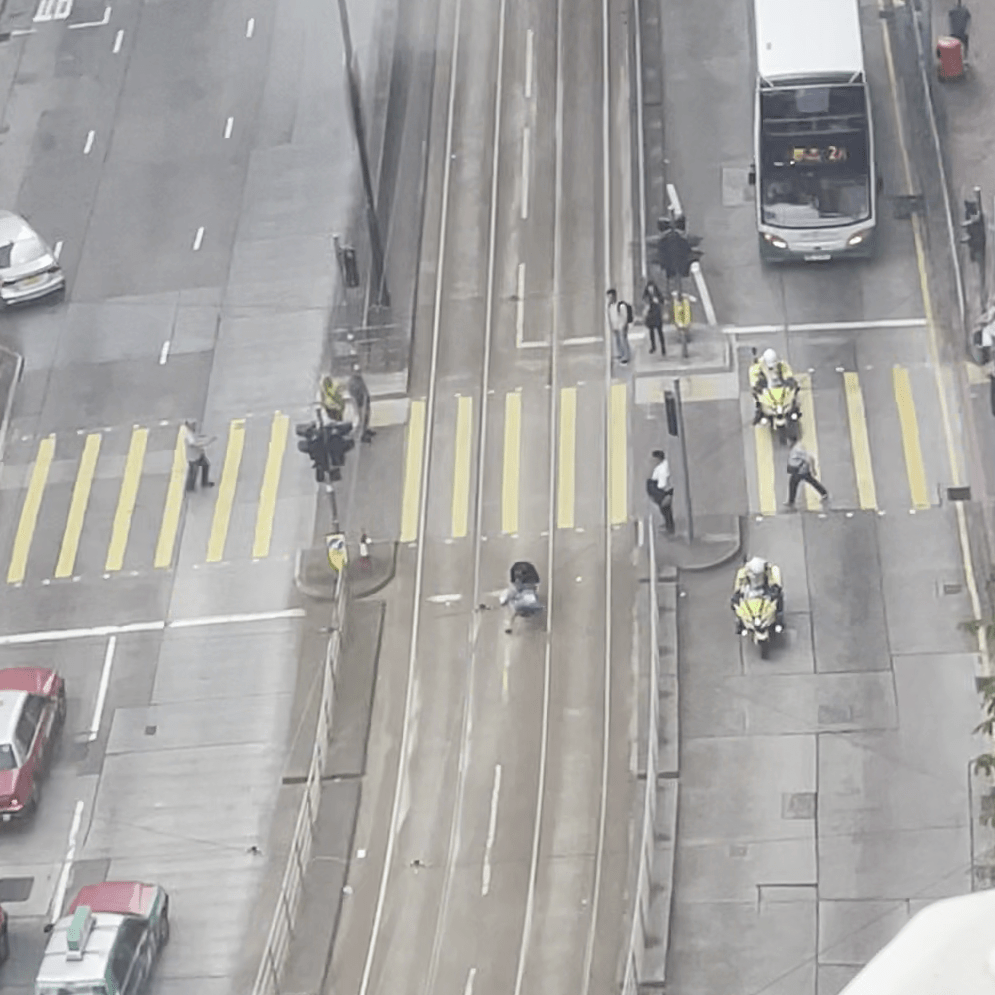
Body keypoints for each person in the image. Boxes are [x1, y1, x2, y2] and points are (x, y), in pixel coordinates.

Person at [731, 556, 784, 632]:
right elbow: (738, 585)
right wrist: (737, 595)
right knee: (738, 606)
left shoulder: (770, 570)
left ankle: (779, 622)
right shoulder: (742, 573)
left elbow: (775, 581)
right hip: (750, 592)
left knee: (778, 599)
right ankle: (740, 624)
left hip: (765, 590)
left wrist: (775, 589)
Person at [749, 348, 796, 424]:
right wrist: (756, 385)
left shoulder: (781, 365)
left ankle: (795, 408)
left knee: (793, 395)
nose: (771, 367)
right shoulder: (758, 366)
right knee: (756, 398)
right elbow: (753, 376)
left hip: (779, 387)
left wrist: (789, 380)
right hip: (766, 388)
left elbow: (787, 372)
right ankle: (758, 411)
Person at [500, 561, 541, 634]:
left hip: (526, 592)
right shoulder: (529, 580)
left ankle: (508, 624)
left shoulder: (516, 586)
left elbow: (513, 587)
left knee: (512, 607)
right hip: (529, 590)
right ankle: (509, 624)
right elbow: (536, 584)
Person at [786, 443, 828, 508]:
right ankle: (824, 493)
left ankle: (791, 501)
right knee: (810, 481)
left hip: (801, 471)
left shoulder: (797, 450)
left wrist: (813, 469)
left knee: (793, 484)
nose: (787, 443)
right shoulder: (793, 450)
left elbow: (809, 458)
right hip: (799, 471)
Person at [646, 449, 675, 534]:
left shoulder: (661, 468)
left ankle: (669, 528)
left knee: (665, 509)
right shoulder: (662, 466)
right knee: (666, 510)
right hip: (664, 490)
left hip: (663, 491)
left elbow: (662, 484)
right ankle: (669, 526)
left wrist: (661, 494)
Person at [183, 420, 216, 492]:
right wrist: (208, 441)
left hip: (199, 455)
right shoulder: (189, 436)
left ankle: (204, 482)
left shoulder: (194, 432)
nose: (194, 426)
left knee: (206, 465)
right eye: (193, 424)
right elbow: (195, 444)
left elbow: (200, 437)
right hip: (193, 458)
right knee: (193, 473)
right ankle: (189, 487)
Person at [606, 288, 632, 365]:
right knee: (618, 341)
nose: (609, 299)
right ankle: (621, 354)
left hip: (621, 326)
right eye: (608, 297)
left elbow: (624, 317)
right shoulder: (610, 306)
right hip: (615, 326)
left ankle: (626, 356)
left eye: (611, 297)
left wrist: (623, 326)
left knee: (623, 341)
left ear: (614, 296)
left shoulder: (621, 305)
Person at [643, 281, 665, 355]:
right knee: (651, 332)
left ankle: (663, 347)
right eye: (649, 287)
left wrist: (657, 301)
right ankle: (653, 346)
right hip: (650, 315)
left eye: (651, 287)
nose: (650, 289)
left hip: (657, 314)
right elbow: (644, 301)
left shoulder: (657, 293)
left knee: (660, 332)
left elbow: (662, 300)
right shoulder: (646, 295)